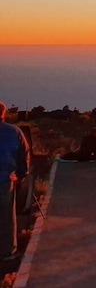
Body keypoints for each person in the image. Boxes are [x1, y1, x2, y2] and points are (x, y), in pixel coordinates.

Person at [0, 101, 30, 261]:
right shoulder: (14, 131)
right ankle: (7, 252)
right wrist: (22, 174)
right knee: (6, 217)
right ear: (4, 114)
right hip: (5, 180)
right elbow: (24, 154)